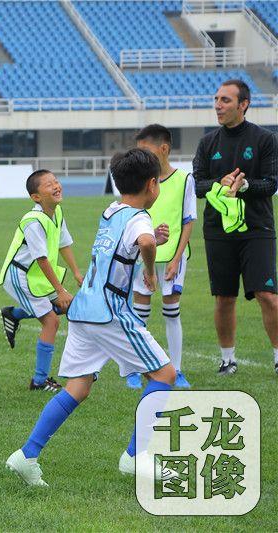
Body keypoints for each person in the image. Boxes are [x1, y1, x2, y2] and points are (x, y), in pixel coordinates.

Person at [6, 148, 176, 487]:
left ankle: (26, 455)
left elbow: (129, 245)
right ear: (152, 184)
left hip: (83, 310)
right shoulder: (139, 217)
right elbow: (143, 241)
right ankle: (136, 457)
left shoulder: (112, 211)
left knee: (78, 387)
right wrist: (150, 269)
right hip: (108, 313)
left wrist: (148, 241)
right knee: (165, 374)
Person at [193, 79, 278, 375]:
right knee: (224, 298)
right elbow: (198, 186)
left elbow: (271, 184)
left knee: (268, 296)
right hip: (218, 231)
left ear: (243, 105)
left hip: (257, 229)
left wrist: (243, 186)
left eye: (225, 100)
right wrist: (220, 182)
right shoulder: (207, 143)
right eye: (216, 99)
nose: (218, 105)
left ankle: (277, 357)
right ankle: (227, 359)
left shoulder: (265, 139)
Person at [0, 170, 82, 392]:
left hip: (38, 276)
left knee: (70, 306)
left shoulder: (57, 212)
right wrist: (60, 290)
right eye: (48, 185)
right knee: (51, 321)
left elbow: (64, 243)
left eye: (56, 181)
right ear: (36, 197)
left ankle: (14, 314)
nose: (56, 186)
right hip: (21, 276)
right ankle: (39, 381)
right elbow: (41, 259)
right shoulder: (33, 221)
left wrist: (76, 273)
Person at [127, 124, 196, 389]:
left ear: (164, 149)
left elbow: (188, 221)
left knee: (171, 312)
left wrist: (177, 258)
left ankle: (176, 370)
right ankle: (135, 369)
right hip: (142, 256)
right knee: (139, 313)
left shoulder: (184, 180)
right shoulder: (140, 180)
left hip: (171, 259)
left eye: (146, 150)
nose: (141, 156)